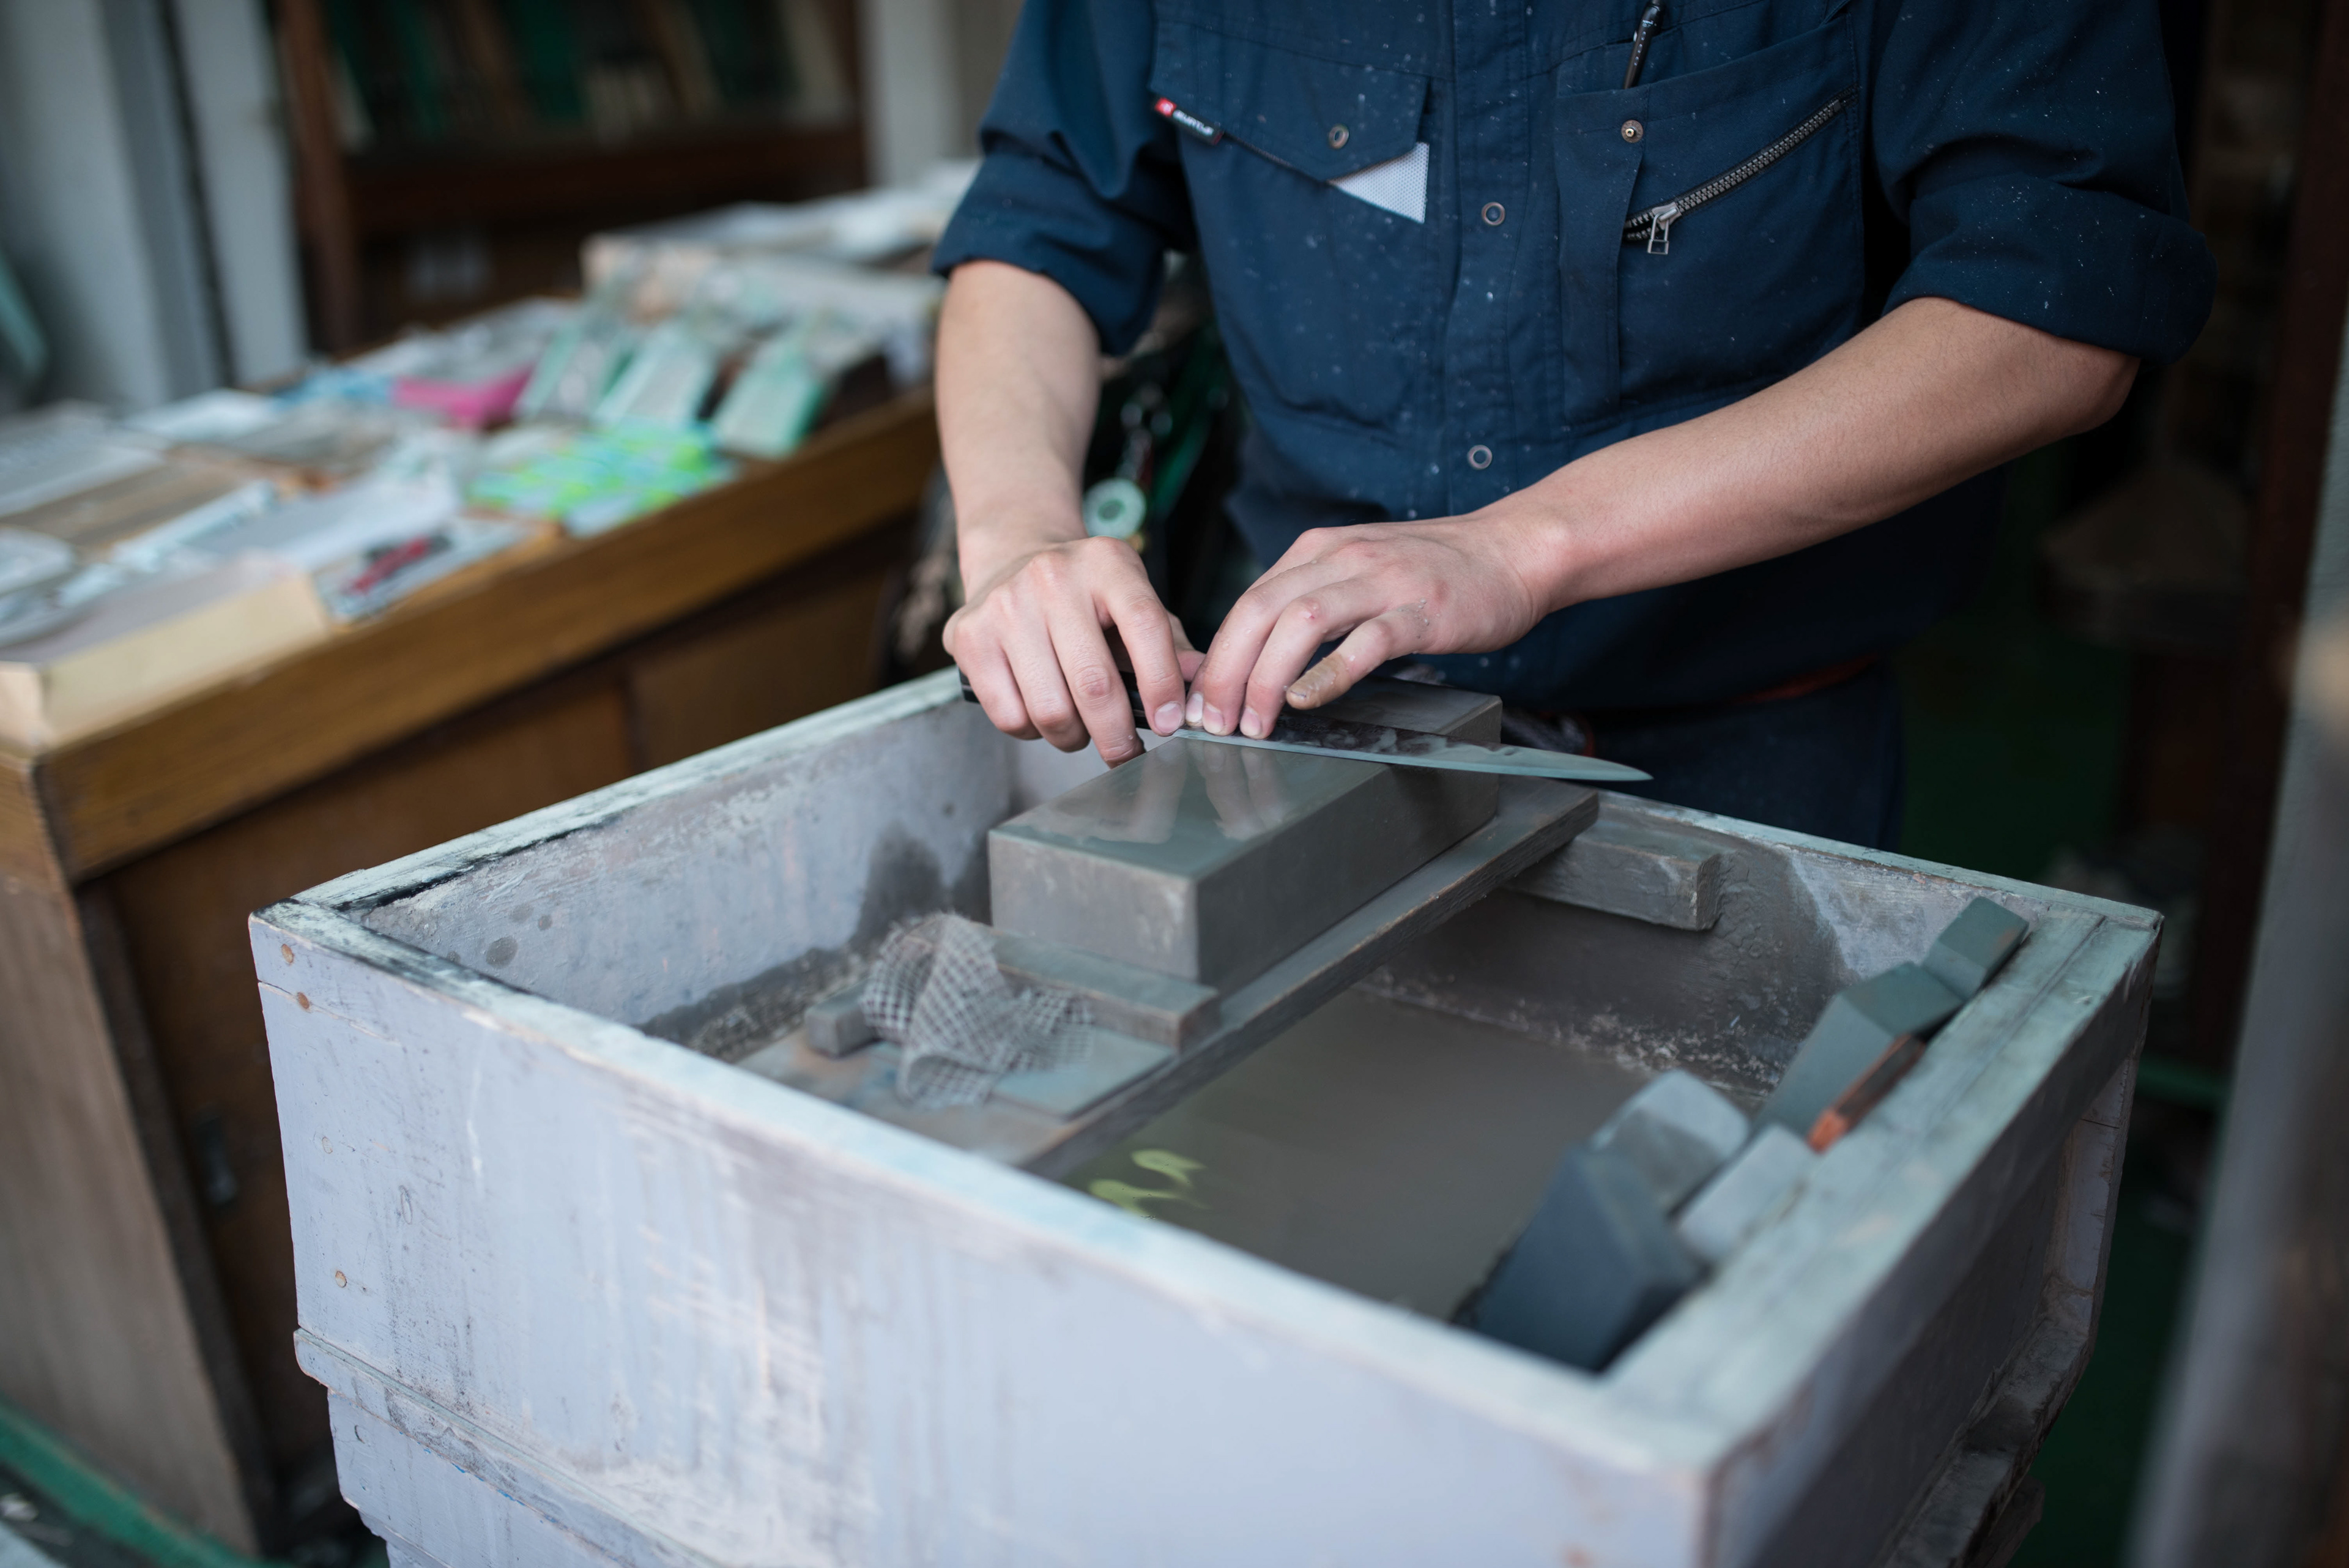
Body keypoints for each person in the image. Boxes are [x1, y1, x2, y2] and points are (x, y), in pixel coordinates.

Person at [932, 0, 2214, 847]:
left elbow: (2053, 312)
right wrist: (1014, 537)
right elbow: (1043, 218)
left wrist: (1527, 545)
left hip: (1740, 751)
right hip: (1307, 732)